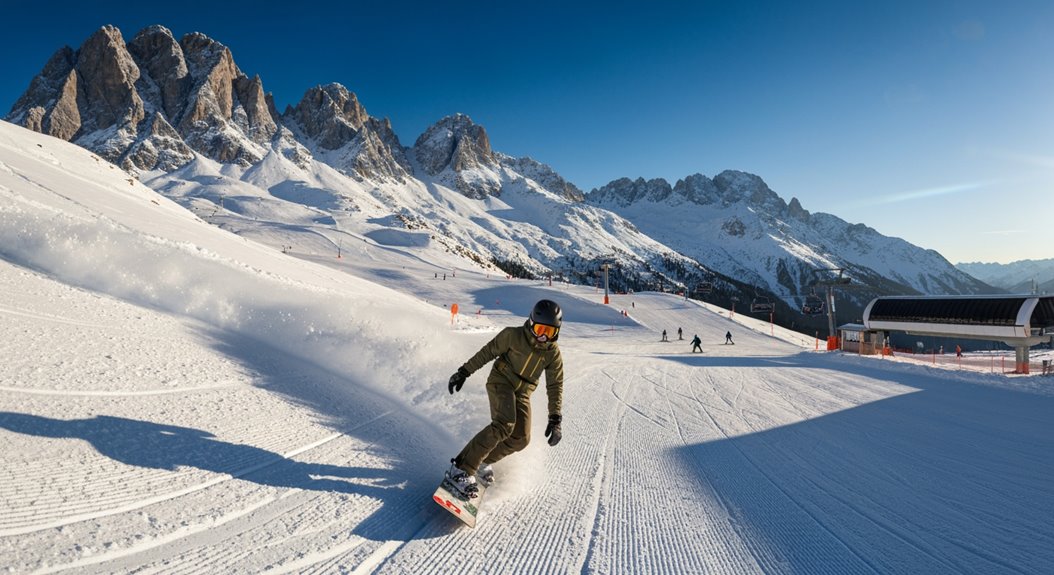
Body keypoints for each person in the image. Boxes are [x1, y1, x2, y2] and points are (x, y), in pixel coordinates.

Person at [445, 299, 565, 497]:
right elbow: (488, 352)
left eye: (550, 332)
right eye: (541, 329)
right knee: (504, 424)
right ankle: (462, 469)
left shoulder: (553, 354)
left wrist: (555, 418)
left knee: (521, 439)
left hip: (523, 392)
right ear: (532, 323)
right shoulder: (513, 335)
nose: (543, 336)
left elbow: (555, 385)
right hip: (501, 380)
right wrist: (464, 371)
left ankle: (483, 460)